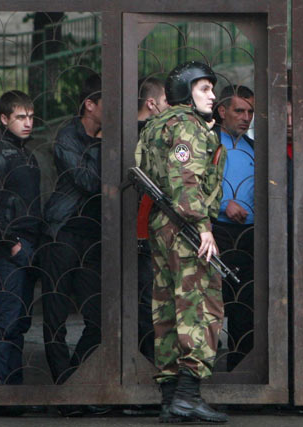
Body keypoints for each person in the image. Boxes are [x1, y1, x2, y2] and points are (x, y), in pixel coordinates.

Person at [136, 61, 228, 423]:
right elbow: (186, 182)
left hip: (162, 226)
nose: (212, 96)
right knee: (199, 306)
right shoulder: (187, 126)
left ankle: (171, 398)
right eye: (205, 89)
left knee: (168, 310)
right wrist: (203, 227)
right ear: (186, 91)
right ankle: (187, 396)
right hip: (186, 228)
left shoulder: (156, 126)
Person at [41, 74, 103, 391]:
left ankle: (74, 379)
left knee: (99, 318)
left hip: (94, 238)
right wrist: (106, 148)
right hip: (63, 233)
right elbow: (90, 181)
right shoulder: (67, 136)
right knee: (55, 314)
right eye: (107, 103)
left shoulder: (109, 137)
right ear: (90, 105)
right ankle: (62, 385)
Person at [0, 90, 41, 388]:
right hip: (9, 246)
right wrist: (9, 241)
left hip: (26, 242)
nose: (27, 123)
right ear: (4, 118)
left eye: (30, 117)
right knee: (5, 317)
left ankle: (11, 390)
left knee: (18, 320)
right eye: (20, 117)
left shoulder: (25, 152)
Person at [213, 84, 255, 372]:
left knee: (247, 308)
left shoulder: (254, 147)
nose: (246, 117)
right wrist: (223, 204)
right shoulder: (208, 143)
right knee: (213, 306)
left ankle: (240, 371)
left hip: (251, 236)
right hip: (216, 233)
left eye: (250, 111)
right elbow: (189, 188)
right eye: (239, 110)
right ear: (222, 110)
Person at [136, 76, 169, 363]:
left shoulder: (123, 132)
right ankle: (146, 365)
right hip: (144, 231)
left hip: (136, 230)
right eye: (166, 102)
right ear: (152, 104)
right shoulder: (151, 136)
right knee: (148, 303)